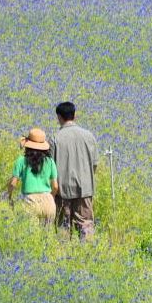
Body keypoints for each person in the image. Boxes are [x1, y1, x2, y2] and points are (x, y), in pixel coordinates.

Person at [49, 102, 98, 240]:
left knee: (63, 226)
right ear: (74, 115)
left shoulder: (55, 139)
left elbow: (50, 168)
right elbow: (94, 164)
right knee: (85, 224)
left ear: (59, 117)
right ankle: (87, 254)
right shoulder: (89, 136)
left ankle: (63, 256)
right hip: (85, 189)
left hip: (63, 190)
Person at [8, 127, 59, 225]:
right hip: (48, 201)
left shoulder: (21, 160)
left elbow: (13, 183)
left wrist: (9, 197)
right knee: (47, 237)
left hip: (30, 201)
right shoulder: (50, 162)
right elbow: (55, 186)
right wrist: (50, 197)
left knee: (31, 235)